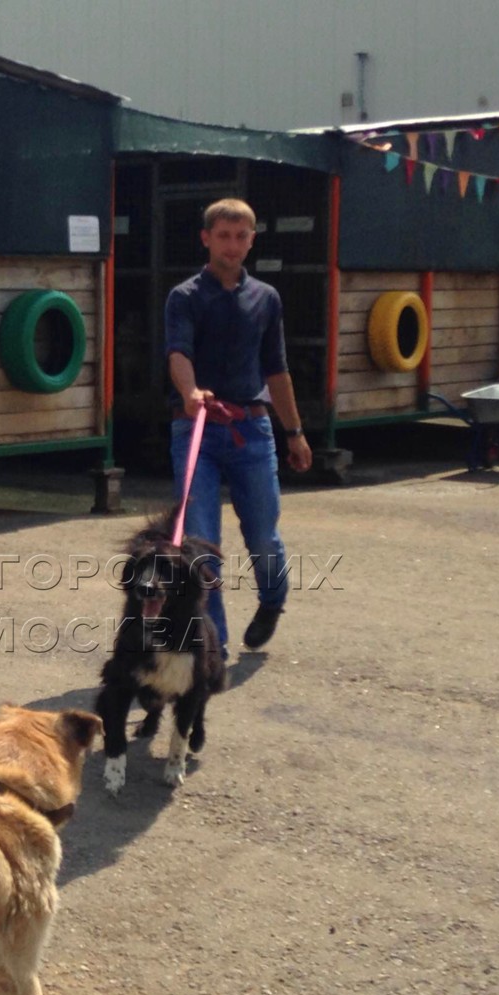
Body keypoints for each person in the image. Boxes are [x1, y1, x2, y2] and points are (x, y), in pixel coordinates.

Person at [164, 197, 313, 654]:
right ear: (206, 238)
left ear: (251, 240)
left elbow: (277, 370)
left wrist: (295, 432)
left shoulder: (265, 299)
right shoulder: (185, 297)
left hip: (252, 429)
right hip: (197, 430)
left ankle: (272, 600)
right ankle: (215, 644)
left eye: (241, 235)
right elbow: (178, 353)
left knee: (264, 534)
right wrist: (190, 394)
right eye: (223, 235)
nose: (232, 244)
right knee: (201, 543)